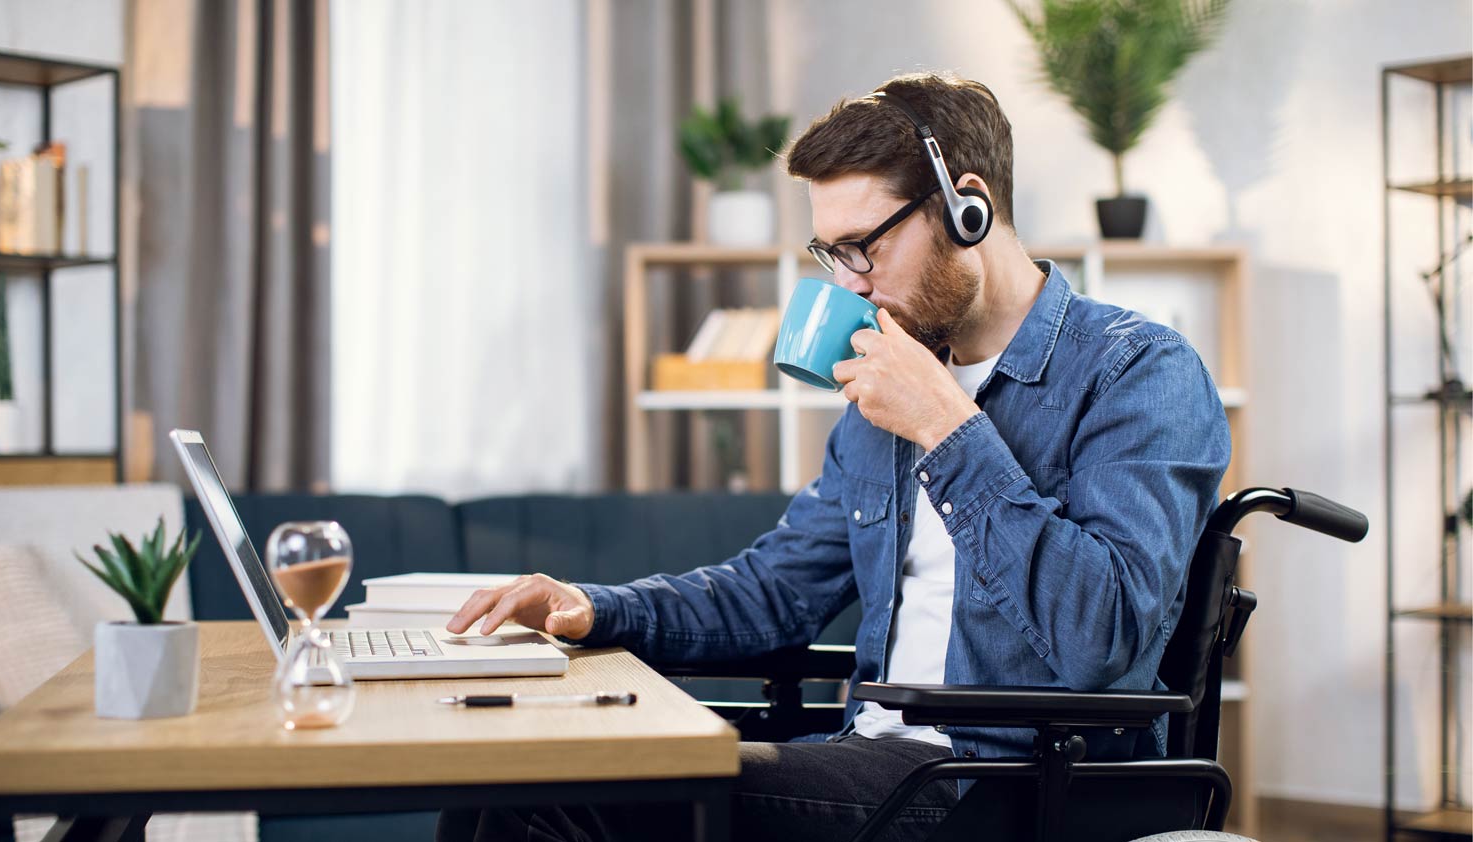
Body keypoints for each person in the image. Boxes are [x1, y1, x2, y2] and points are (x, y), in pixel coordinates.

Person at [435, 72, 1231, 842]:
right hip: (870, 763)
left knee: (565, 792)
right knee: (502, 773)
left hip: (1002, 788)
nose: (852, 284)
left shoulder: (1138, 373)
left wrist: (950, 429)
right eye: (832, 254)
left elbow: (1105, 637)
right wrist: (597, 607)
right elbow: (772, 592)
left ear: (971, 212)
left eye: (865, 248)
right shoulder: (888, 386)